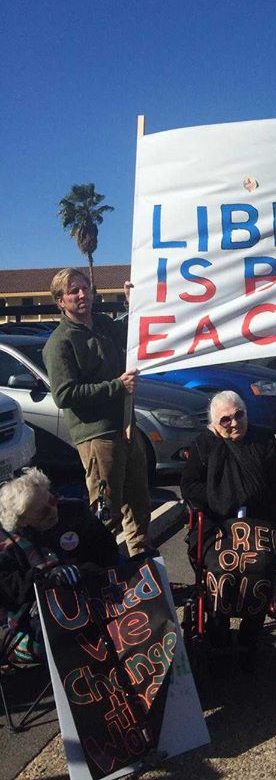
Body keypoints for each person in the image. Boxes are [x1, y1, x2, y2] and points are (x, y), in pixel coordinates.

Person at [43, 267, 152, 558]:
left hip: (127, 426)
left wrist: (133, 302)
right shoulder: (60, 342)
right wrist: (116, 387)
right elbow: (64, 394)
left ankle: (142, 567)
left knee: (139, 504)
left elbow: (132, 332)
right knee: (107, 512)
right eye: (73, 291)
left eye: (85, 288)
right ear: (60, 301)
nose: (82, 295)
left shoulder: (103, 324)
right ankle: (103, 569)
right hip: (97, 436)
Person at [181, 390, 276, 651]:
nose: (234, 423)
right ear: (214, 424)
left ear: (246, 413)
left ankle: (250, 635)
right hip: (219, 524)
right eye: (225, 420)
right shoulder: (202, 446)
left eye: (239, 415)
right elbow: (189, 485)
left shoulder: (262, 439)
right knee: (220, 568)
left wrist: (251, 493)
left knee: (260, 566)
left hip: (260, 521)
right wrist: (224, 494)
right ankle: (218, 632)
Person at [0, 468, 117, 662]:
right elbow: (7, 589)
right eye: (43, 513)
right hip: (40, 615)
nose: (53, 510)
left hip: (92, 592)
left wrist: (82, 571)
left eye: (52, 500)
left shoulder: (75, 512)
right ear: (23, 521)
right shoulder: (8, 542)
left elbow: (107, 553)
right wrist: (44, 578)